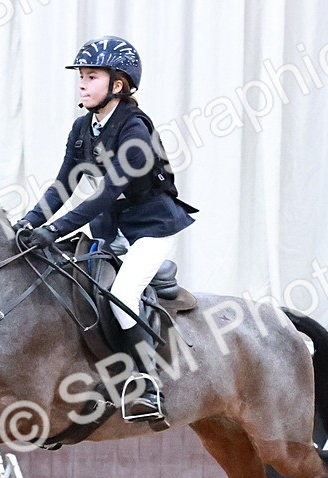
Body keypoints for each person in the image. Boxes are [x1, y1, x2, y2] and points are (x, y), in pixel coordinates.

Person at [15, 36, 196, 424]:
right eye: (81, 75)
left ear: (118, 84)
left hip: (151, 225)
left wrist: (55, 229)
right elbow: (64, 183)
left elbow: (105, 193)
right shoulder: (83, 127)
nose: (82, 82)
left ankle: (146, 382)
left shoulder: (135, 132)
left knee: (122, 293)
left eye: (91, 76)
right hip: (109, 226)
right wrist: (30, 222)